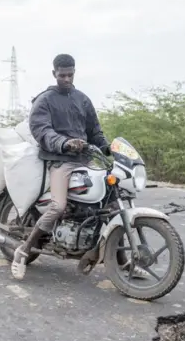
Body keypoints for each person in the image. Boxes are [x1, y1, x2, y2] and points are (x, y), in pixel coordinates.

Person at [11, 53, 111, 279]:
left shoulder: (82, 99)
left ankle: (122, 263)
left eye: (70, 74)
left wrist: (106, 147)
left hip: (85, 160)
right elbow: (41, 130)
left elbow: (94, 130)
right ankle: (23, 251)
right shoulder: (44, 100)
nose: (66, 79)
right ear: (54, 73)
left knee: (108, 203)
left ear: (75, 72)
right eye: (62, 75)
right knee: (57, 206)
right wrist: (65, 143)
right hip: (60, 160)